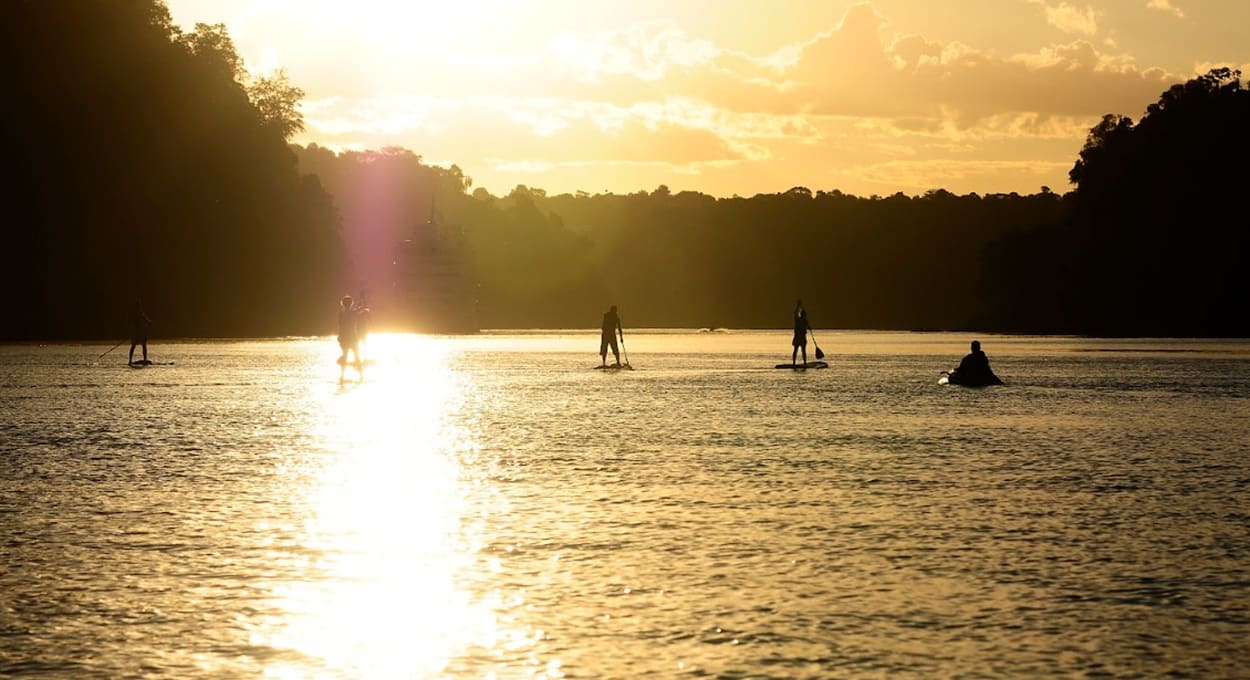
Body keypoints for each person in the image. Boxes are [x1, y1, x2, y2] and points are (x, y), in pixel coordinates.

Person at [337, 295, 362, 381]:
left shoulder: (341, 313)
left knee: (345, 356)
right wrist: (362, 304)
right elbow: (361, 309)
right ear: (351, 304)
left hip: (344, 337)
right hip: (352, 337)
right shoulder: (353, 312)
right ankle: (361, 376)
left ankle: (342, 376)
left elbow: (340, 326)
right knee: (356, 356)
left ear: (342, 304)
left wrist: (339, 337)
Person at [128, 299, 152, 365]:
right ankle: (131, 360)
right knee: (137, 346)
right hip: (137, 333)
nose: (139, 308)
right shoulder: (136, 314)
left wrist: (148, 322)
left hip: (139, 333)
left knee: (139, 345)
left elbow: (146, 320)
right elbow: (145, 321)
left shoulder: (140, 313)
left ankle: (131, 360)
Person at [791, 299, 810, 366]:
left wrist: (799, 306)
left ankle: (799, 363)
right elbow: (795, 313)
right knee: (800, 350)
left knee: (800, 350)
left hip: (800, 338)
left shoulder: (804, 321)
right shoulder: (799, 320)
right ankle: (797, 363)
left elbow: (808, 327)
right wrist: (798, 306)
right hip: (799, 338)